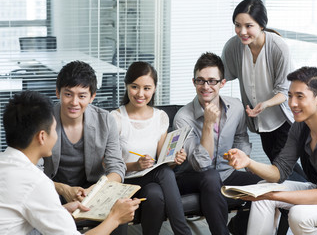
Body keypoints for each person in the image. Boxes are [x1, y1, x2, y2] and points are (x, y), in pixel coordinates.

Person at [225, 66, 317, 235]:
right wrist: (248, 162)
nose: (292, 103)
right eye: (290, 96)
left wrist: (273, 196)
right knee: (263, 188)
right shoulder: (300, 126)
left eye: (299, 96)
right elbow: (279, 172)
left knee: (298, 214)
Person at [0, 90, 140, 235]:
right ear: (42, 137)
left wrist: (62, 212)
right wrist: (115, 218)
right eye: (54, 129)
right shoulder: (36, 183)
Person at [173, 52, 262, 235]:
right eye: (200, 80)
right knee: (211, 176)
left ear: (223, 83)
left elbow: (241, 138)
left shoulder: (236, 107)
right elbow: (202, 165)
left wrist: (240, 157)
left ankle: (236, 227)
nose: (206, 86)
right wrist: (207, 123)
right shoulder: (183, 117)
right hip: (192, 177)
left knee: (266, 184)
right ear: (194, 82)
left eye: (212, 81)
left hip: (226, 173)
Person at [40, 60, 128, 233]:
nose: (74, 102)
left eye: (82, 96)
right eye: (68, 94)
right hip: (52, 188)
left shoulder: (106, 120)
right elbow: (32, 171)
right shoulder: (44, 120)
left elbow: (117, 168)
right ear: (58, 92)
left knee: (119, 206)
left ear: (92, 96)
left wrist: (94, 190)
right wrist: (63, 189)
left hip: (92, 187)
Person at [110, 61, 192, 235]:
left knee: (156, 190)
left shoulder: (160, 117)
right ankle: (183, 232)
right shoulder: (115, 118)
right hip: (122, 180)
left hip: (148, 179)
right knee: (162, 177)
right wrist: (136, 165)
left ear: (154, 88)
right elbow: (106, 164)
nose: (140, 93)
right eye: (134, 87)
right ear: (127, 86)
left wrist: (175, 159)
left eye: (147, 88)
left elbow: (164, 162)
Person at [221, 0, 298, 167]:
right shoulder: (234, 47)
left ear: (261, 25)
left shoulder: (278, 47)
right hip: (261, 122)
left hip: (284, 120)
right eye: (237, 25)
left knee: (281, 170)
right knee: (278, 167)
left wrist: (265, 104)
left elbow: (286, 92)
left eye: (249, 26)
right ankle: (309, 188)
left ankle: (313, 190)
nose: (242, 31)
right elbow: (221, 76)